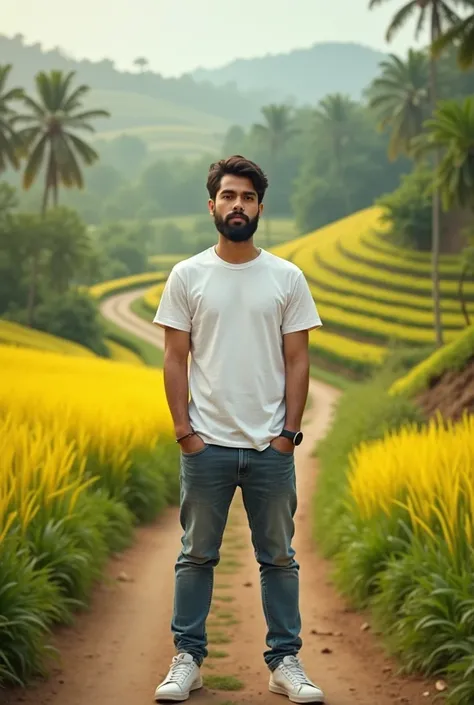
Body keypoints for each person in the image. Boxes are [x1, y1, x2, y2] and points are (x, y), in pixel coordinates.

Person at [152, 155, 324, 703]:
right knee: (196, 555)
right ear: (212, 205)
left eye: (247, 198)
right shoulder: (188, 275)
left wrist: (288, 435)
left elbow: (298, 360)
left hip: (270, 448)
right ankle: (188, 660)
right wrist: (185, 433)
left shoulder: (286, 277)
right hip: (206, 448)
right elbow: (175, 358)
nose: (237, 206)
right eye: (228, 196)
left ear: (260, 209)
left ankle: (285, 662)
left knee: (278, 558)